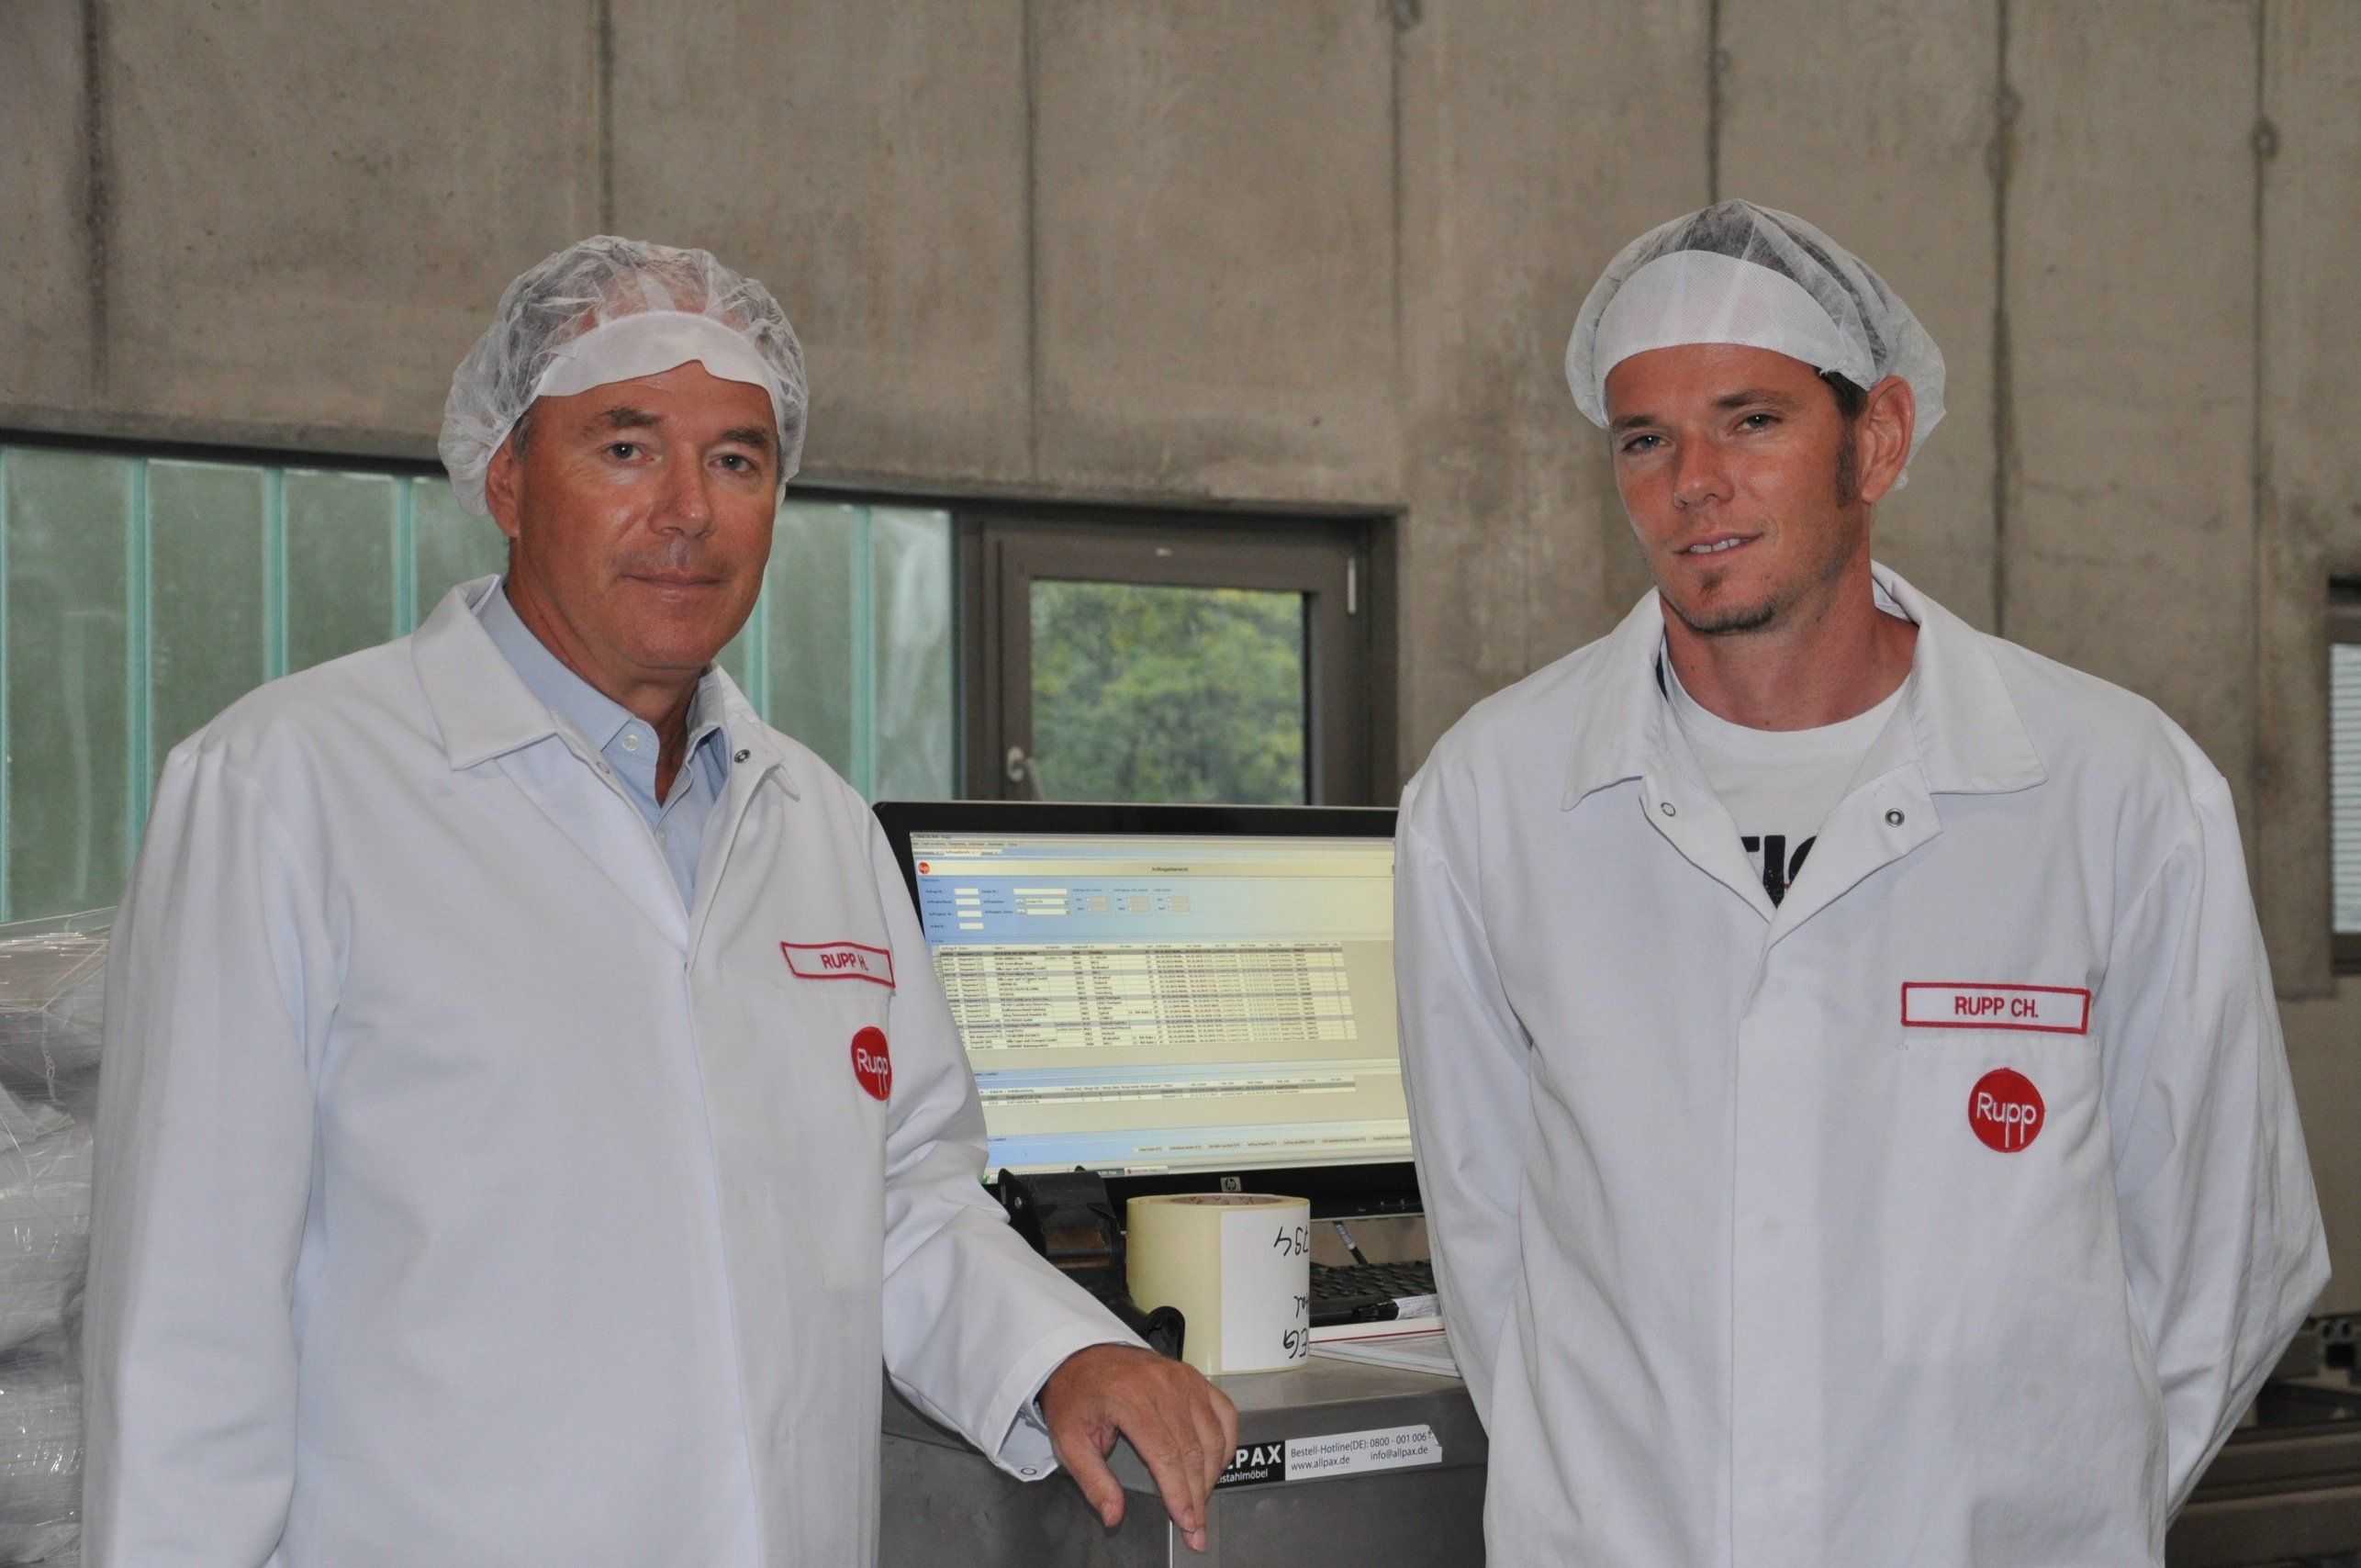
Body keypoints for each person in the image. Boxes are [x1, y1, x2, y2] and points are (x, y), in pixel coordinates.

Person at [83, 236, 1236, 1566]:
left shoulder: (818, 824)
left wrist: (1065, 1351)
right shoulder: (288, 789)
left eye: (737, 460)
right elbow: (188, 1329)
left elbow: (902, 1197)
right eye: (626, 448)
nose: (688, 511)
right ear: (507, 476)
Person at [1395, 199, 2328, 1565]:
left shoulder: (2116, 789)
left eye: (1751, 420)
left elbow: (2230, 1255)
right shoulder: (1493, 798)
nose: (1693, 482)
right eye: (1645, 438)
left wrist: (2048, 1521)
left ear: (1877, 438)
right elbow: (1487, 1247)